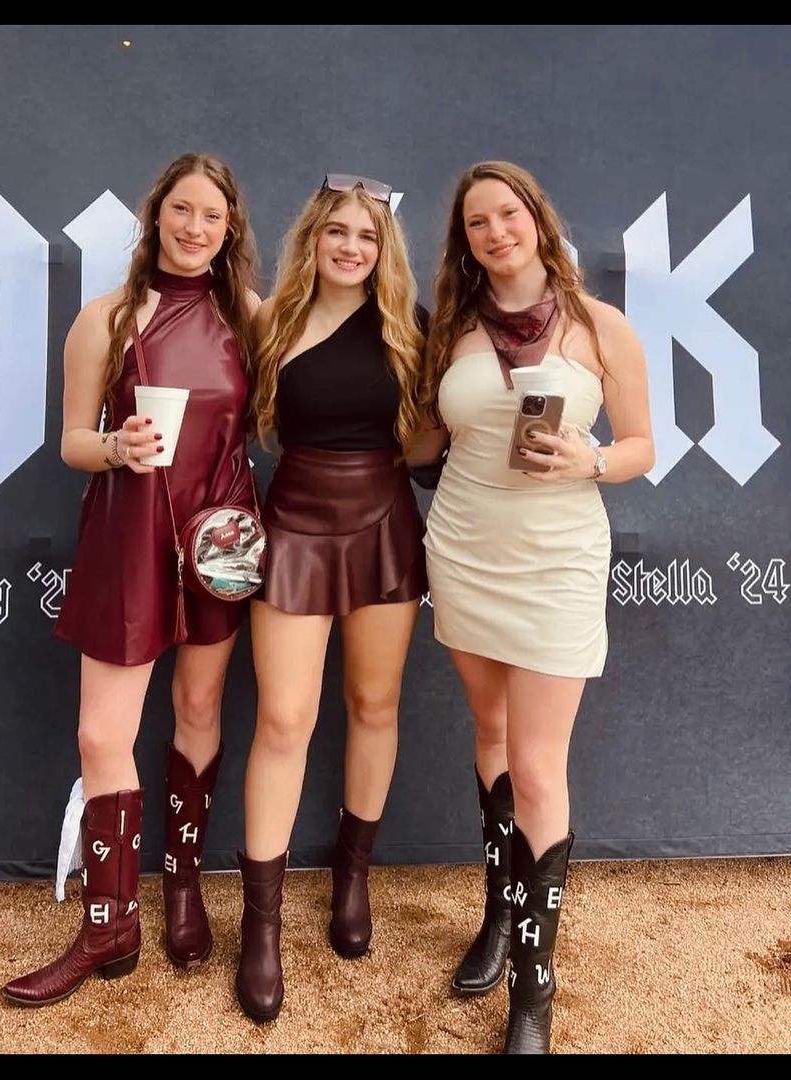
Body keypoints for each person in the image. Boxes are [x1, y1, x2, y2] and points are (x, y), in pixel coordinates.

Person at [1, 152, 261, 1007]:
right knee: (101, 733)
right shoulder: (105, 317)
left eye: (212, 216)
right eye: (182, 209)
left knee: (198, 707)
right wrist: (115, 446)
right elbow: (73, 440)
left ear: (229, 230)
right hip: (128, 534)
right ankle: (110, 925)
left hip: (217, 536)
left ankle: (183, 886)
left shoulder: (249, 317)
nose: (195, 228)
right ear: (157, 215)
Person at [411, 161, 654, 1053]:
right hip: (464, 551)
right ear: (464, 242)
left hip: (557, 561)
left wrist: (594, 460)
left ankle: (533, 991)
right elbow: (423, 443)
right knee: (491, 733)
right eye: (477, 222)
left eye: (507, 214)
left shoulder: (601, 326)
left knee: (538, 763)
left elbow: (641, 445)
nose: (495, 232)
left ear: (537, 220)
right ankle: (500, 915)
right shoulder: (452, 332)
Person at [234, 174, 428, 1023]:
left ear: (385, 250)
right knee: (283, 721)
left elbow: (430, 444)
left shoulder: (411, 328)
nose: (352, 246)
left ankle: (353, 881)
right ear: (311, 236)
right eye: (337, 231)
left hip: (385, 516)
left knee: (374, 705)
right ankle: (262, 927)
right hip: (294, 522)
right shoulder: (270, 320)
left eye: (368, 235)